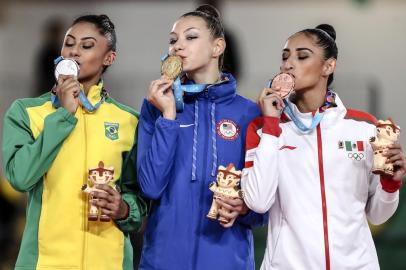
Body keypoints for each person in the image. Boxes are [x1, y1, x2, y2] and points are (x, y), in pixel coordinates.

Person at [241, 24, 406, 270]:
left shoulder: (364, 127)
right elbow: (258, 201)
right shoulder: (264, 129)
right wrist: (272, 125)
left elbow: (377, 215)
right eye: (285, 57)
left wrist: (391, 184)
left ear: (328, 66)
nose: (288, 64)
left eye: (302, 56)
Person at [2, 14, 147, 270]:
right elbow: (20, 177)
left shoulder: (129, 121)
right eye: (69, 43)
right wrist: (63, 116)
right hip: (45, 263)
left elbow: (137, 198)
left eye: (87, 45)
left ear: (109, 58)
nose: (74, 52)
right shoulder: (26, 112)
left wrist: (124, 209)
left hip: (109, 262)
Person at [137, 5, 266, 270]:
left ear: (217, 47)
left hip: (227, 260)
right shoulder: (155, 107)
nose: (178, 46)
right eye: (173, 40)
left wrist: (244, 208)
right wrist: (169, 115)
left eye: (191, 37)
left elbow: (263, 208)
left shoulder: (249, 113)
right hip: (164, 259)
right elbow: (150, 186)